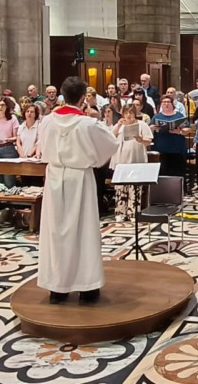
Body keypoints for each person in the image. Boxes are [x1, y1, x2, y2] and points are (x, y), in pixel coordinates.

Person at [37, 77, 120, 304]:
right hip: (80, 178)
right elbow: (111, 145)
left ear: (63, 95)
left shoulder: (47, 121)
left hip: (54, 177)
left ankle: (58, 288)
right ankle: (87, 287)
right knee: (83, 232)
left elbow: (41, 147)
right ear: (84, 98)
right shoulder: (88, 124)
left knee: (56, 233)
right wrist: (93, 156)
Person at [111, 103, 153, 222]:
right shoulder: (120, 125)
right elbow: (111, 136)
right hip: (121, 161)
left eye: (131, 113)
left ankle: (133, 212)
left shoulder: (142, 125)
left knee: (135, 188)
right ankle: (120, 212)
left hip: (136, 159)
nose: (128, 115)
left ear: (135, 114)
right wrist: (119, 125)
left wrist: (141, 139)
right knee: (121, 187)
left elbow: (149, 141)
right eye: (126, 113)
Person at [151, 97, 188, 178]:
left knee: (178, 175)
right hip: (162, 150)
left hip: (177, 150)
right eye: (164, 102)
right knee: (163, 175)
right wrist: (152, 128)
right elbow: (149, 129)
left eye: (168, 102)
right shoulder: (156, 117)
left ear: (172, 104)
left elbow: (187, 129)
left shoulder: (179, 115)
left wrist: (180, 132)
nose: (166, 104)